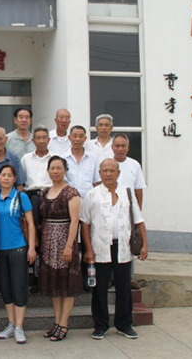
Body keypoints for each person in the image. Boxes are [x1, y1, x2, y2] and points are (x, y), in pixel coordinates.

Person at [81, 159, 148, 340]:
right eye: (105, 171)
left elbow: (138, 219)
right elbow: (85, 224)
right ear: (100, 173)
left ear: (118, 173)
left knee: (123, 288)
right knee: (100, 289)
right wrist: (88, 249)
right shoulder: (92, 195)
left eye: (112, 170)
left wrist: (145, 244)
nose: (108, 174)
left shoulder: (127, 193)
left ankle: (124, 324)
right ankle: (100, 325)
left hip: (123, 247)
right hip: (100, 248)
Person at [39, 156, 83, 342]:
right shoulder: (46, 192)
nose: (55, 171)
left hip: (65, 241)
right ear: (48, 171)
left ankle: (64, 324)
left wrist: (69, 246)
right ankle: (56, 323)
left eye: (59, 168)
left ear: (65, 170)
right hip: (49, 243)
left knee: (67, 285)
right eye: (52, 168)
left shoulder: (71, 192)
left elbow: (75, 221)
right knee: (54, 285)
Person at [0, 164, 36, 345]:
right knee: (6, 288)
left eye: (9, 175)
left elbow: (31, 224)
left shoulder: (21, 196)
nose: (6, 178)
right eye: (3, 175)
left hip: (18, 247)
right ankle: (11, 324)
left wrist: (31, 248)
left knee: (19, 287)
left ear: (15, 178)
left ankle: (19, 326)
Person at [20, 126, 52, 291]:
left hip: (50, 197)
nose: (41, 141)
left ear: (48, 140)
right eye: (38, 138)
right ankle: (32, 277)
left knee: (47, 236)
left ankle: (46, 277)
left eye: (44, 137)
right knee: (31, 235)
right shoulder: (26, 159)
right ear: (33, 141)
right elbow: (22, 182)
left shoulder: (55, 159)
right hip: (31, 197)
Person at [65, 125, 101, 199]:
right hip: (69, 200)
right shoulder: (63, 158)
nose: (77, 139)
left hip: (90, 199)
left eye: (81, 136)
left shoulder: (93, 158)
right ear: (69, 137)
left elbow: (98, 181)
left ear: (85, 138)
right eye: (75, 136)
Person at [112, 133, 146, 209]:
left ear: (128, 147)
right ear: (112, 147)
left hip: (129, 205)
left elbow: (139, 189)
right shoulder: (107, 164)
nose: (120, 149)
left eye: (123, 146)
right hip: (110, 205)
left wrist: (138, 209)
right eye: (117, 146)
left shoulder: (134, 164)